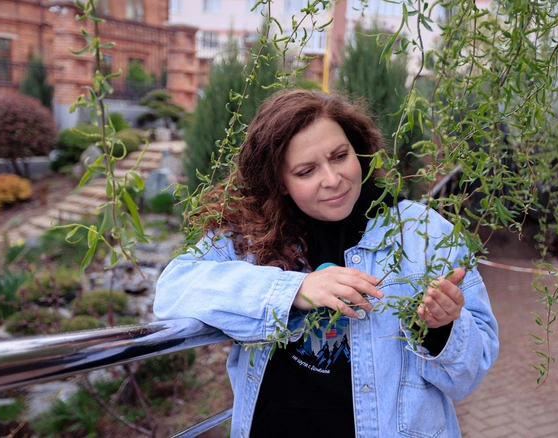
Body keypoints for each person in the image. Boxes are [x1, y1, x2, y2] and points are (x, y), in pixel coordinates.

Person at [154, 89, 499, 437]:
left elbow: (469, 375)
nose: (332, 179)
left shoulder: (422, 232)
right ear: (280, 182)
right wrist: (294, 290)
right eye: (306, 171)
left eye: (339, 156)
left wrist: (443, 329)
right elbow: (173, 290)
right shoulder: (247, 235)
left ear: (359, 150)